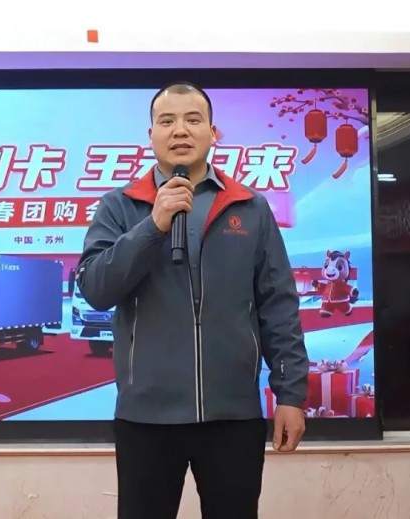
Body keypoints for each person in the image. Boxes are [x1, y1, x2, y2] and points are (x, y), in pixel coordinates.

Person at [75, 81, 310, 519]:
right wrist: (153, 226)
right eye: (167, 121)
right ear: (151, 135)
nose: (180, 130)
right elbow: (95, 289)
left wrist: (291, 395)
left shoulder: (250, 207)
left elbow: (278, 306)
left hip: (233, 417)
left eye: (192, 119)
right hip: (146, 418)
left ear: (213, 133)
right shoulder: (120, 207)